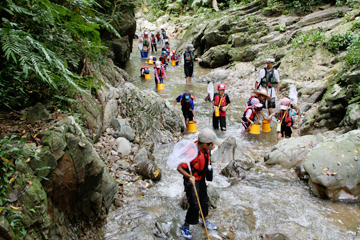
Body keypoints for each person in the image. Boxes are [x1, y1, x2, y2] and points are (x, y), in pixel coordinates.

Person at [177, 128, 222, 239]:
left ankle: (205, 220)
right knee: (194, 203)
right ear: (205, 145)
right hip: (191, 179)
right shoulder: (192, 151)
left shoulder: (206, 149)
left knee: (204, 199)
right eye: (212, 145)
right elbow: (179, 167)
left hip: (201, 178)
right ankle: (185, 226)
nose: (214, 147)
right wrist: (189, 176)